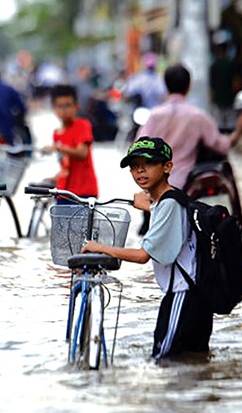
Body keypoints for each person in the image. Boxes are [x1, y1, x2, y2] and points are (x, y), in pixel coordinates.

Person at [81, 137, 211, 358]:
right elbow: (170, 221)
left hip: (182, 295)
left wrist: (101, 248)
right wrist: (151, 206)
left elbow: (142, 256)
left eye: (148, 164)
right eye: (134, 166)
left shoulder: (168, 204)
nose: (140, 171)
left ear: (167, 166)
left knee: (163, 359)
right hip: (195, 295)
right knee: (192, 364)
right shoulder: (172, 199)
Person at [137, 63, 242, 190]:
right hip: (185, 184)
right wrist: (239, 130)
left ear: (166, 85)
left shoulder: (154, 116)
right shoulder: (198, 117)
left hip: (156, 186)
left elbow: (137, 149)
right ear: (189, 86)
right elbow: (222, 146)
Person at [42, 84, 98, 202]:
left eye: (68, 106)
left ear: (76, 106)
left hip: (83, 191)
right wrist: (56, 178)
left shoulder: (82, 125)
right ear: (53, 108)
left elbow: (82, 153)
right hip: (63, 191)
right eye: (59, 106)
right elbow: (66, 165)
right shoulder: (57, 133)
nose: (64, 110)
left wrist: (58, 147)